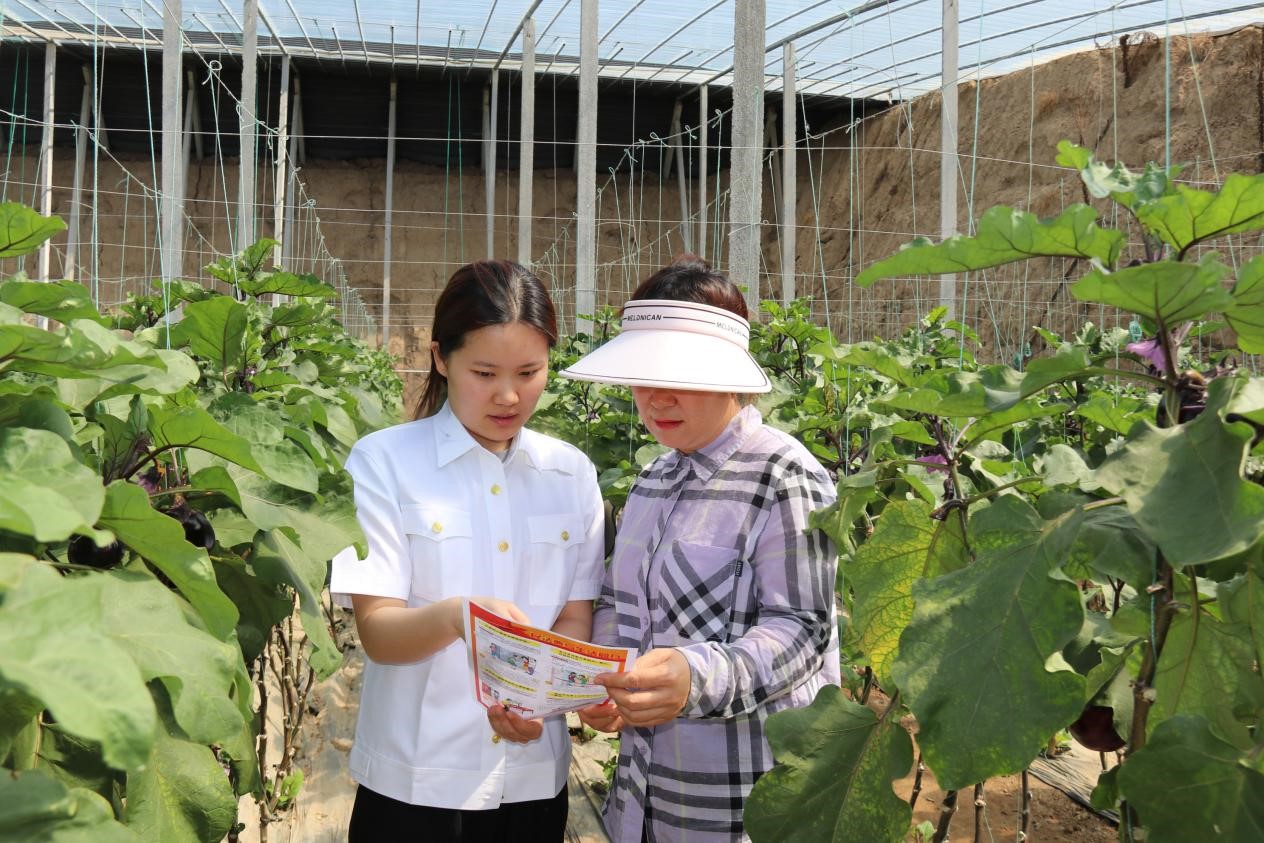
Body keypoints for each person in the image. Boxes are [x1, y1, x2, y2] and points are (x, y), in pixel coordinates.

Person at [561, 255, 840, 843]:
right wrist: (602, 681)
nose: (656, 398)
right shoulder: (653, 478)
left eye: (680, 376)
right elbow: (617, 601)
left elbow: (803, 629)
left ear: (729, 376)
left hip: (738, 802)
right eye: (643, 375)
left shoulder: (783, 475)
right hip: (641, 796)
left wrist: (696, 677)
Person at [331, 260, 605, 842]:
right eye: (484, 372)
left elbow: (574, 618)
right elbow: (378, 633)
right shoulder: (383, 463)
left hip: (533, 781)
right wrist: (462, 617)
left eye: (529, 372)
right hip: (415, 784)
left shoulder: (570, 474)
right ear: (440, 358)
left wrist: (538, 701)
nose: (508, 395)